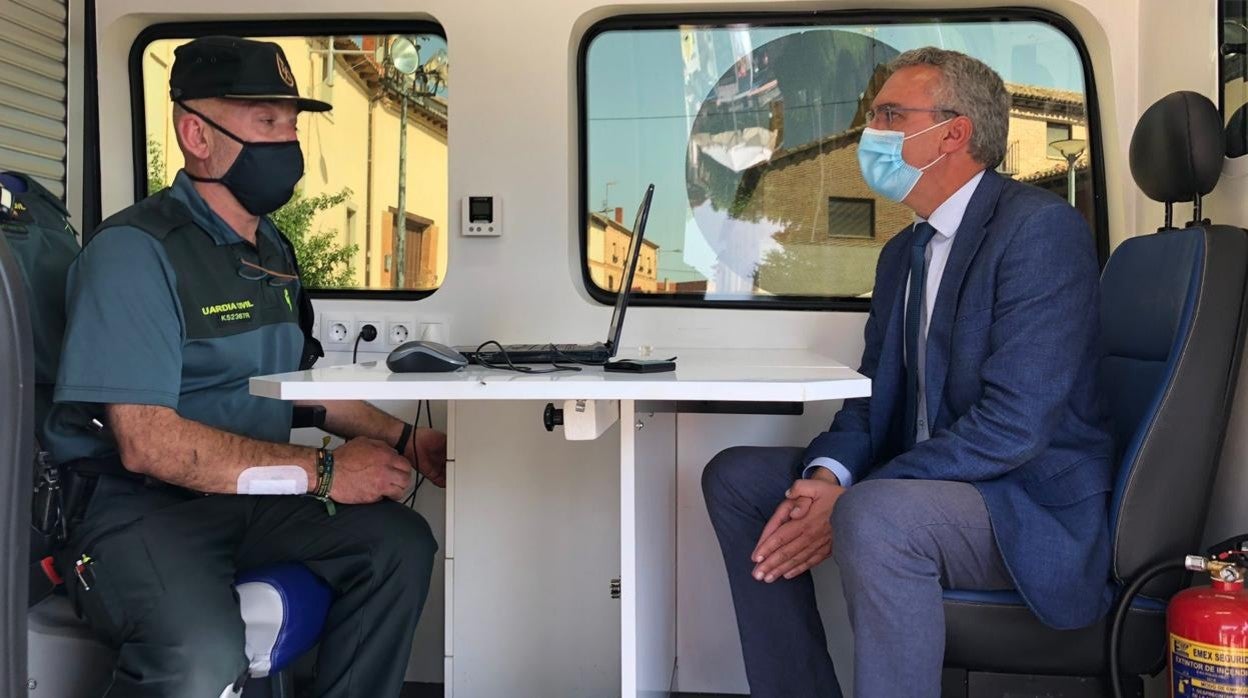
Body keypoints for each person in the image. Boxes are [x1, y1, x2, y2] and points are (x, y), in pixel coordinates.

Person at [701, 47, 1114, 697]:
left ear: (954, 132)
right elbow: (871, 402)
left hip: (1021, 501)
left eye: (892, 114)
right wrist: (825, 477)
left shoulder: (1041, 231)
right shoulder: (904, 252)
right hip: (924, 480)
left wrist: (852, 499)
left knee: (876, 515)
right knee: (739, 479)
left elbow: (1013, 427)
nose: (872, 132)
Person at [43, 36, 445, 697]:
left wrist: (406, 438)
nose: (287, 144)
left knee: (398, 544)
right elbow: (146, 443)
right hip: (140, 513)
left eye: (291, 125)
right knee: (199, 656)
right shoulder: (134, 254)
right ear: (194, 132)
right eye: (266, 122)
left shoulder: (272, 253)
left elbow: (301, 390)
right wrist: (325, 473)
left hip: (251, 499)